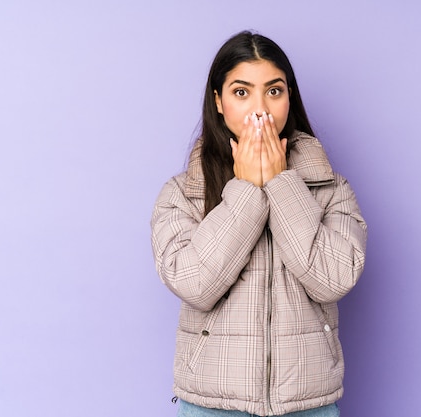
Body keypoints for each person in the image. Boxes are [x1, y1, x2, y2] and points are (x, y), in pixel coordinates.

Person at [150, 31, 367, 417]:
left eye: (274, 91)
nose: (260, 110)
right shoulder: (182, 193)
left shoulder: (332, 189)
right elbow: (194, 284)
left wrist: (282, 182)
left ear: (289, 97)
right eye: (241, 92)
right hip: (211, 405)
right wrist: (247, 188)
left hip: (308, 405)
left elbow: (334, 280)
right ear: (218, 101)